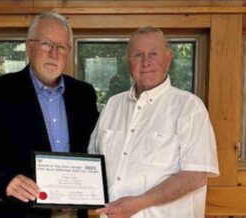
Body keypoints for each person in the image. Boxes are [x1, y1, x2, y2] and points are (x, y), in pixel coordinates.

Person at [0, 12, 99, 218]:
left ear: (68, 52)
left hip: (71, 212)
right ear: (29, 46)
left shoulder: (83, 94)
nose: (54, 54)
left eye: (61, 47)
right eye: (46, 44)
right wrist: (6, 180)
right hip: (17, 211)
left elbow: (95, 148)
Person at [88, 26, 219, 218]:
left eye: (154, 54)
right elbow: (93, 163)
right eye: (138, 55)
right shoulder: (113, 105)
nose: (146, 62)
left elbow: (195, 176)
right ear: (128, 61)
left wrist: (139, 204)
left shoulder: (190, 107)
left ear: (168, 58)